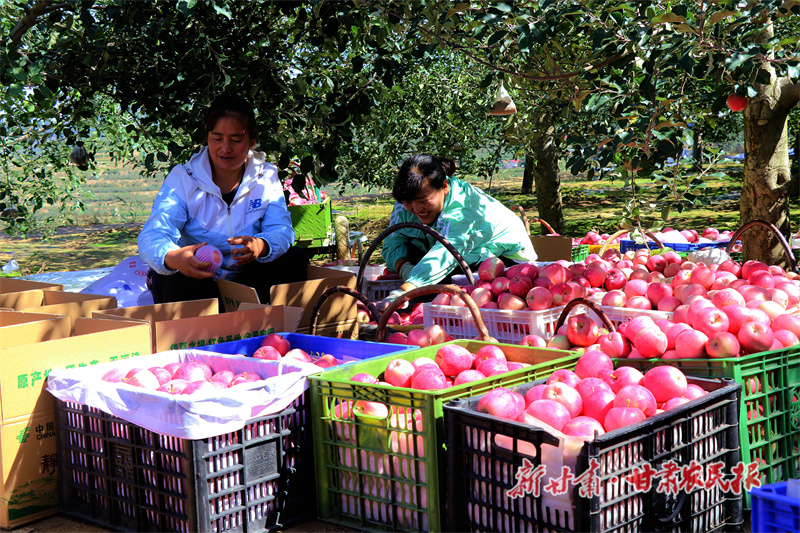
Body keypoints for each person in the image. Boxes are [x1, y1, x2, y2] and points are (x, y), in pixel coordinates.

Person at [138, 94, 308, 309]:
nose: (226, 148)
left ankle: (269, 321)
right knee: (170, 277)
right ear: (207, 136)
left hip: (247, 280)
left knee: (293, 259)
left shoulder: (265, 177)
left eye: (236, 140)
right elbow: (153, 234)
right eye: (217, 138)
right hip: (199, 280)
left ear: (252, 139)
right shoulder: (183, 179)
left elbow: (281, 229)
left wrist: (262, 245)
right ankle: (192, 326)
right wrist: (173, 257)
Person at [379, 153, 536, 306]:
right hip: (461, 257)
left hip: (508, 264)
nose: (416, 208)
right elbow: (392, 243)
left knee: (440, 287)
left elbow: (445, 255)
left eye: (423, 201)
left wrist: (404, 291)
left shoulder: (465, 209)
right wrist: (404, 268)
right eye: (409, 202)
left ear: (444, 187)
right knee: (424, 274)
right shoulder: (406, 200)